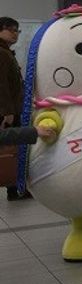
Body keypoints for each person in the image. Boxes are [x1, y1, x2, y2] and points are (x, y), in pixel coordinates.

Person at [0, 16, 28, 200]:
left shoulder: (6, 52)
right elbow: (1, 85)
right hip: (7, 112)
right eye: (11, 29)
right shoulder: (1, 53)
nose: (15, 34)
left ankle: (15, 186)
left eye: (17, 30)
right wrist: (7, 112)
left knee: (12, 148)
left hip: (11, 109)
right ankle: (13, 188)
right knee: (11, 149)